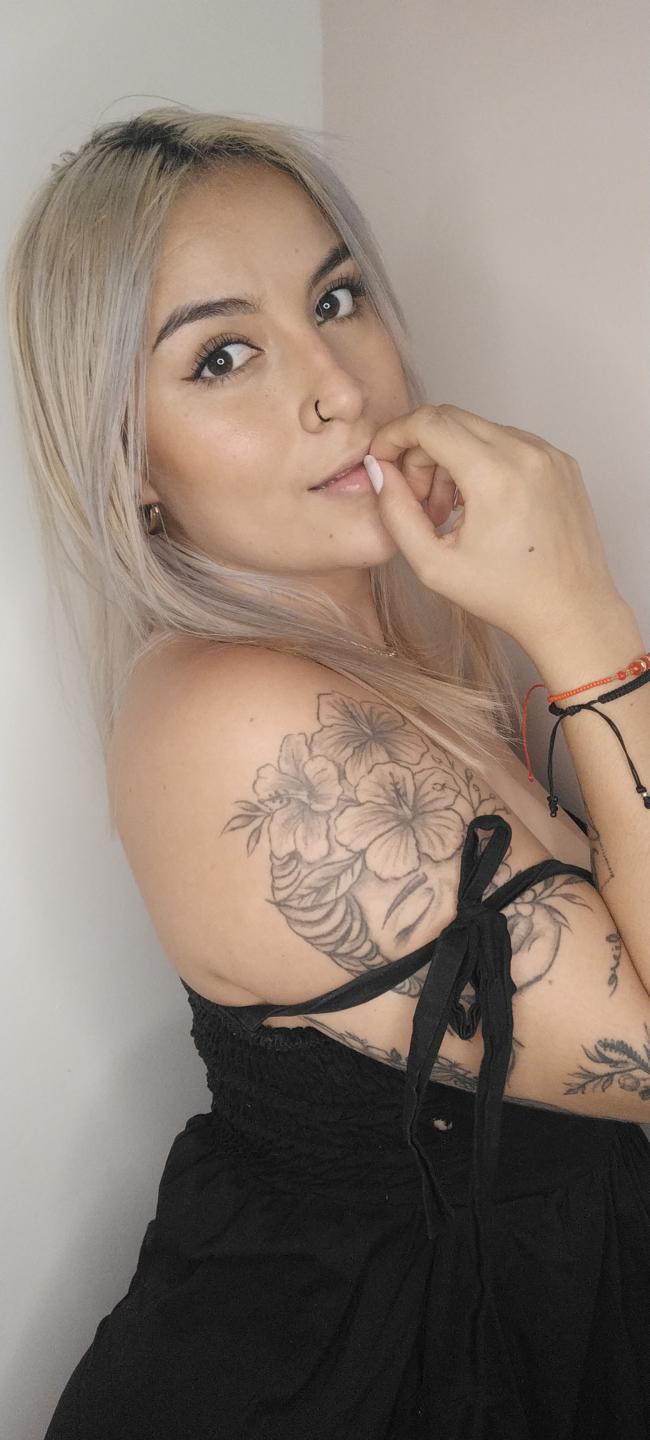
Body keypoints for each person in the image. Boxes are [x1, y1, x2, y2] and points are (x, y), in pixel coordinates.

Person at [7, 107, 650, 1439]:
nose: (336, 387)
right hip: (354, 1379)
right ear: (128, 461)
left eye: (336, 298)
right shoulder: (236, 717)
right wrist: (587, 625)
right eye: (222, 354)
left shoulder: (418, 645)